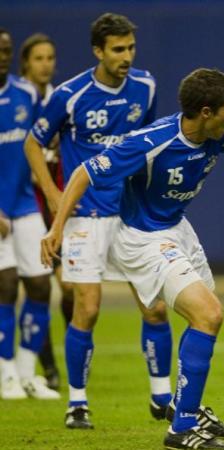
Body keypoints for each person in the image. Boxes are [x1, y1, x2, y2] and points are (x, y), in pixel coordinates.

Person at [41, 67, 224, 450]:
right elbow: (83, 174)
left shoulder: (220, 134)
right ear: (205, 112)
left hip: (177, 229)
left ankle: (184, 407)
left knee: (205, 318)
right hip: (143, 238)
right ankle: (181, 429)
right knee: (208, 314)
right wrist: (57, 227)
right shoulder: (151, 141)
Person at [24, 13, 172, 429]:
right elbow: (33, 144)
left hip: (130, 215)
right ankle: (77, 403)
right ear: (98, 51)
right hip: (85, 217)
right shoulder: (69, 95)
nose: (127, 57)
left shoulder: (145, 87)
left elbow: (147, 143)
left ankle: (161, 398)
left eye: (131, 48)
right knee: (86, 308)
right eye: (118, 50)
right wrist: (54, 196)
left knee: (155, 307)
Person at [0, 27, 59, 401]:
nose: (3, 55)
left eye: (6, 49)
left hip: (24, 204)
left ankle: (25, 374)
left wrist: (51, 193)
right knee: (5, 286)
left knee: (40, 286)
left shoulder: (26, 95)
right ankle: (4, 374)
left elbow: (39, 144)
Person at [19, 31, 67, 391]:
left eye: (50, 57)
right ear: (26, 64)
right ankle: (45, 366)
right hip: (25, 203)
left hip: (56, 203)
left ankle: (71, 343)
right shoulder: (16, 100)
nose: (46, 64)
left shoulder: (60, 100)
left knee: (68, 288)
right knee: (37, 287)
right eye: (39, 58)